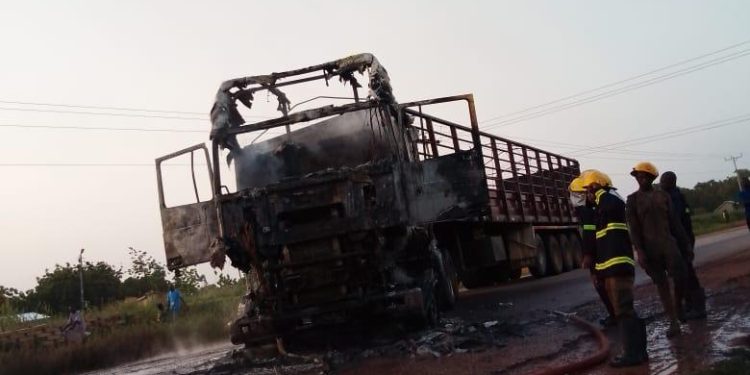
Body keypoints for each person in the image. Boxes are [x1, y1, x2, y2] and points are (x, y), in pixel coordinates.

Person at [581, 170, 647, 367]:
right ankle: (638, 351)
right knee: (623, 310)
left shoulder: (610, 202)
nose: (587, 196)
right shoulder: (601, 208)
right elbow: (601, 244)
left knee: (624, 310)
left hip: (618, 267)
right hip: (612, 268)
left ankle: (633, 354)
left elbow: (613, 205)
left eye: (588, 190)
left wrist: (598, 195)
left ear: (594, 187)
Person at [626, 162, 691, 338]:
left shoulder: (663, 196)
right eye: (638, 176)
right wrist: (639, 251)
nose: (641, 179)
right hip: (650, 249)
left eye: (644, 176)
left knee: (680, 277)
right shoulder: (632, 200)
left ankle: (678, 306)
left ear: (651, 178)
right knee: (662, 285)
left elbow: (675, 223)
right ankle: (673, 322)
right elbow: (634, 228)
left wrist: (686, 244)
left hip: (669, 244)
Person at [569, 171, 615, 328]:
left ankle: (614, 315)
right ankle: (615, 314)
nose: (572, 197)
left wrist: (587, 255)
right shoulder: (598, 207)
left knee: (600, 284)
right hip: (606, 251)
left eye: (575, 194)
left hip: (598, 256)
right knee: (607, 285)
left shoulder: (587, 212)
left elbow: (589, 235)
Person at [660, 171, 706, 320]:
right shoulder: (674, 196)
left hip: (682, 239)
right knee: (682, 273)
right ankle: (690, 305)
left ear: (671, 182)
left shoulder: (674, 198)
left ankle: (698, 307)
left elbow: (677, 222)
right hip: (681, 239)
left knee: (688, 273)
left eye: (664, 180)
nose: (661, 183)